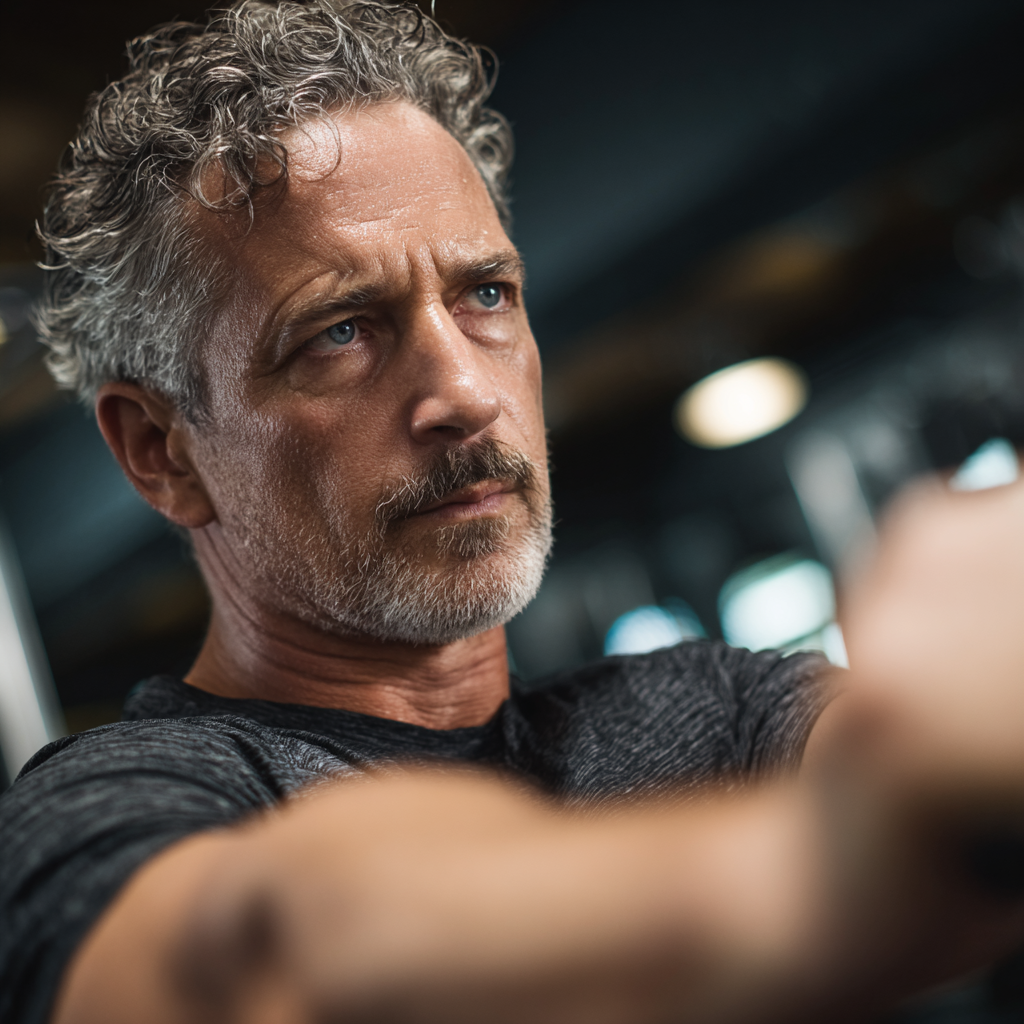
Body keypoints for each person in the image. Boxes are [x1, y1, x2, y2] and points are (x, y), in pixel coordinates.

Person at [4, 2, 1024, 1022]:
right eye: (339, 330)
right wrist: (836, 858)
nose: (464, 393)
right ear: (160, 448)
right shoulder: (113, 813)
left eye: (484, 294)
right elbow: (254, 964)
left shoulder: (711, 707)